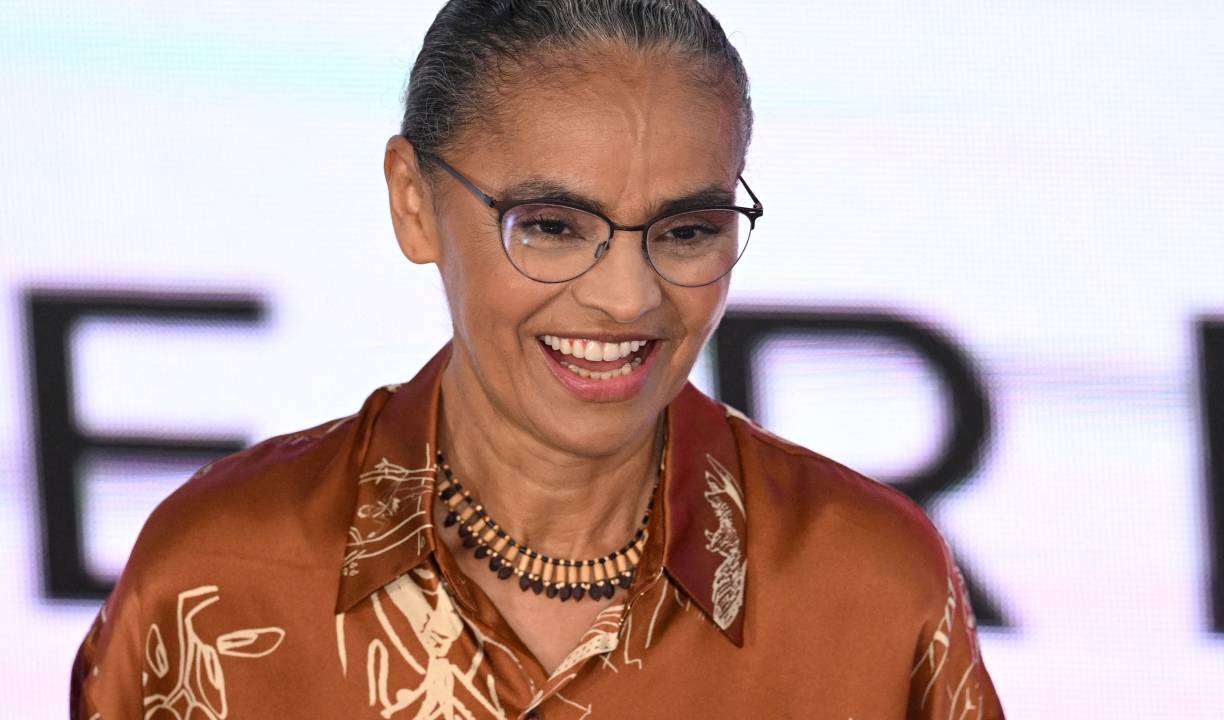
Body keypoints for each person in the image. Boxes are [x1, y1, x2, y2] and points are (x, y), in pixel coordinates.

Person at [71, 1, 1003, 718]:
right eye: (553, 226)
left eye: (687, 230)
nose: (628, 297)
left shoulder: (872, 587)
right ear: (413, 201)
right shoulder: (217, 575)